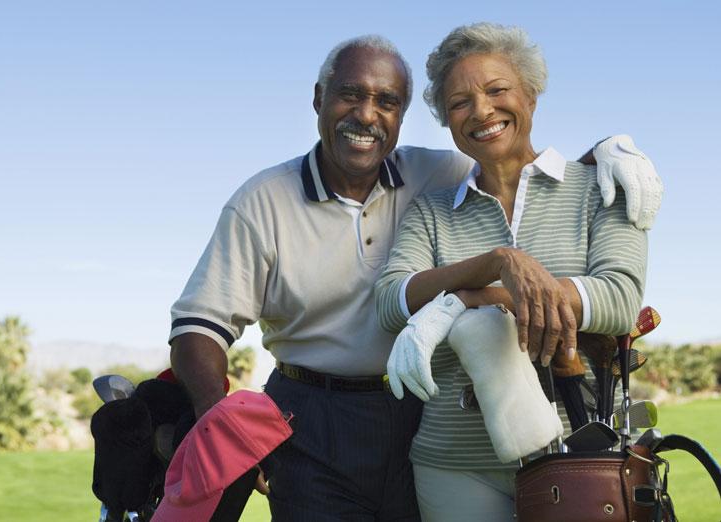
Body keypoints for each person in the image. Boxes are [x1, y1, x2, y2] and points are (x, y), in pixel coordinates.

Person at [169, 34, 660, 520]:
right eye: (350, 94)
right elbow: (200, 325)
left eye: (386, 101)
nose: (366, 115)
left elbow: (518, 154)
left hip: (410, 408)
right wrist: (220, 429)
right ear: (319, 98)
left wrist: (610, 147)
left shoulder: (440, 171)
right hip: (311, 415)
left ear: (401, 117)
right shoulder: (266, 200)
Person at [375, 23, 649, 521]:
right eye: (459, 102)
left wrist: (466, 299)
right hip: (453, 464)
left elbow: (616, 299)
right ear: (446, 119)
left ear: (531, 95)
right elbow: (392, 302)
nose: (481, 111)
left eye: (497, 90)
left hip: (579, 454)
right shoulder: (431, 211)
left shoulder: (599, 188)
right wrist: (500, 262)